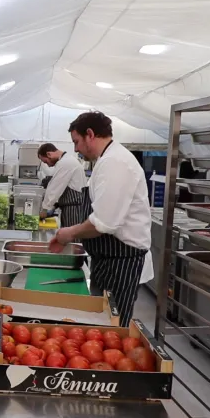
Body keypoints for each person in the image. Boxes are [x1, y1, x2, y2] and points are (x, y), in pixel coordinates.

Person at [48, 112, 152, 325]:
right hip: (109, 258)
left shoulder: (116, 163)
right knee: (101, 324)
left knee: (112, 328)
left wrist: (69, 233)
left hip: (122, 262)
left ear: (90, 134)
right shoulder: (105, 160)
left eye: (76, 142)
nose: (75, 148)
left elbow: (104, 223)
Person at [36, 143, 87, 228]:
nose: (48, 165)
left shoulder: (65, 163)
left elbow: (54, 188)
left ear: (49, 154)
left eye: (46, 162)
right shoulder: (67, 160)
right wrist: (55, 205)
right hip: (71, 208)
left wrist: (44, 209)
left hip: (74, 210)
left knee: (72, 239)